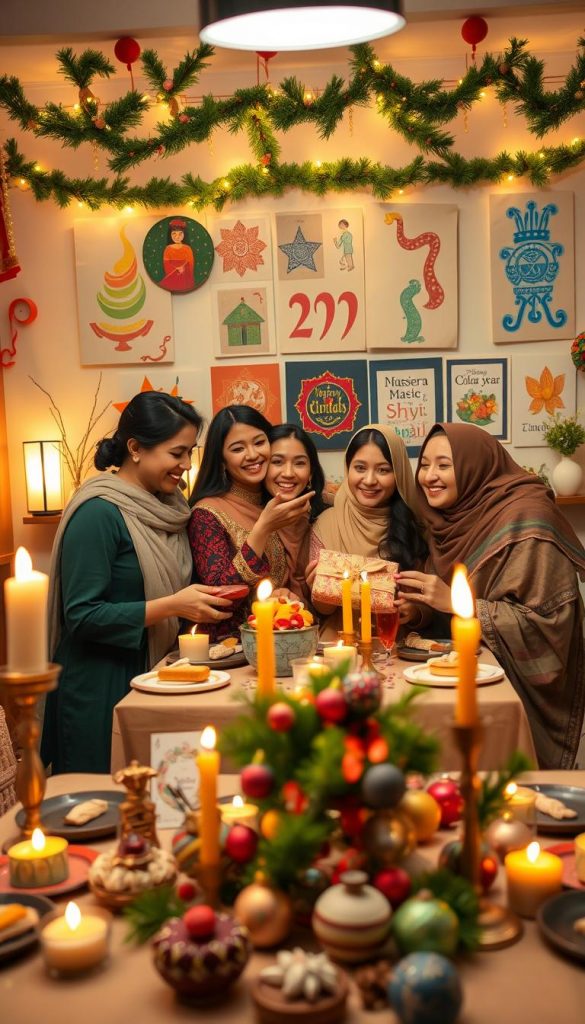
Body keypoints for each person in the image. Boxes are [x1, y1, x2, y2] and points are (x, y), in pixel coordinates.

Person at [42, 392, 233, 774]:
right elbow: (81, 615)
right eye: (176, 453)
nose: (186, 465)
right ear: (135, 448)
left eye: (190, 453)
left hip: (155, 673)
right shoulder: (98, 513)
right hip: (100, 685)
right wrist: (173, 606)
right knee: (104, 797)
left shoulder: (171, 509)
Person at [395, 423, 585, 769]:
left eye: (444, 465)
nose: (429, 476)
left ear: (474, 467)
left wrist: (460, 604)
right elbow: (444, 604)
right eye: (424, 464)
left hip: (510, 690)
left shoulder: (527, 519)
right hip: (461, 680)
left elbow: (551, 625)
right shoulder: (444, 521)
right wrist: (419, 610)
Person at [189, 406, 314, 640]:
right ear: (222, 460)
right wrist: (262, 528)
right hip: (227, 647)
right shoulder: (206, 514)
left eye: (259, 442)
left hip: (278, 641)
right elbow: (220, 596)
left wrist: (282, 596)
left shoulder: (276, 504)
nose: (253, 455)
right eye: (238, 449)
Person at [308, 424, 427, 640]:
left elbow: (430, 604)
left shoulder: (415, 526)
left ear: (399, 473)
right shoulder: (326, 524)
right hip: (340, 647)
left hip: (395, 646)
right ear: (348, 468)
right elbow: (324, 610)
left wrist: (415, 611)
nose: (370, 480)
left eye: (383, 470)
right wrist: (319, 589)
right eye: (360, 468)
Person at [265, 423, 326, 606]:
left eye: (299, 463)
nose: (288, 473)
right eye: (277, 462)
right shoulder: (249, 521)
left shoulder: (326, 517)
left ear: (311, 473)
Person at [160, 218, 195, 292]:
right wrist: (176, 270)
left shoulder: (187, 248)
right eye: (174, 234)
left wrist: (183, 268)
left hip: (185, 277)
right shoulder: (168, 249)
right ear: (170, 235)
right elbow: (166, 264)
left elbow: (191, 264)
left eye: (180, 234)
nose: (177, 237)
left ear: (184, 234)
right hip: (173, 277)